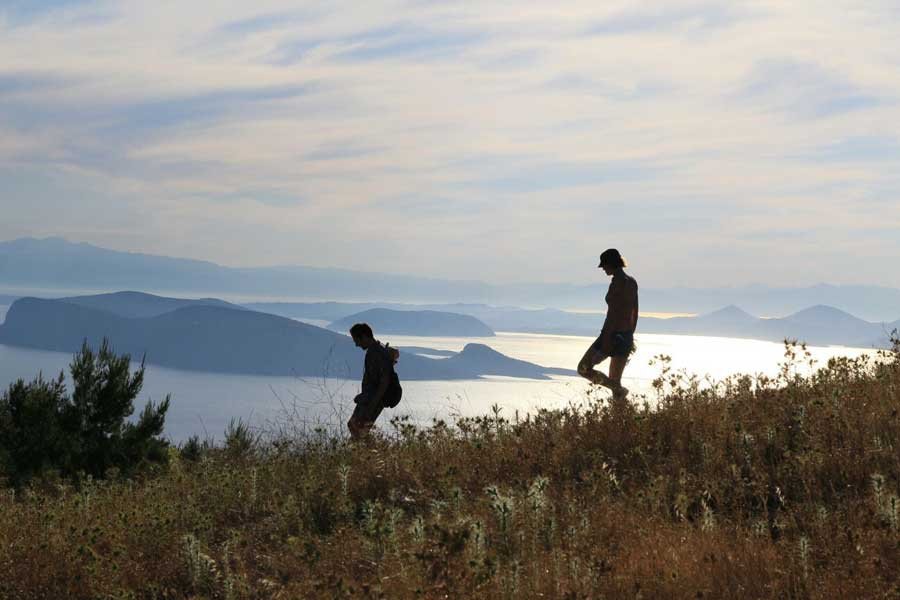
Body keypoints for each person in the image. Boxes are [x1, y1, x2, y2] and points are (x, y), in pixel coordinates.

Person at [578, 248, 638, 401]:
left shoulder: (618, 283)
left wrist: (606, 341)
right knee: (615, 381)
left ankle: (619, 390)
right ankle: (621, 420)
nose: (603, 268)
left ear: (611, 264)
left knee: (583, 368)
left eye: (604, 265)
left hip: (611, 334)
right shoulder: (631, 282)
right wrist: (630, 337)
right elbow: (634, 312)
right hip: (625, 335)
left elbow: (613, 315)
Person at [347, 322, 396, 439]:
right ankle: (367, 452)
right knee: (355, 427)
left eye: (356, 340)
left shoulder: (376, 353)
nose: (356, 344)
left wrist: (372, 404)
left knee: (358, 429)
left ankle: (367, 453)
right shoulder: (375, 350)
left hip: (373, 400)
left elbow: (384, 381)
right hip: (369, 398)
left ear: (363, 337)